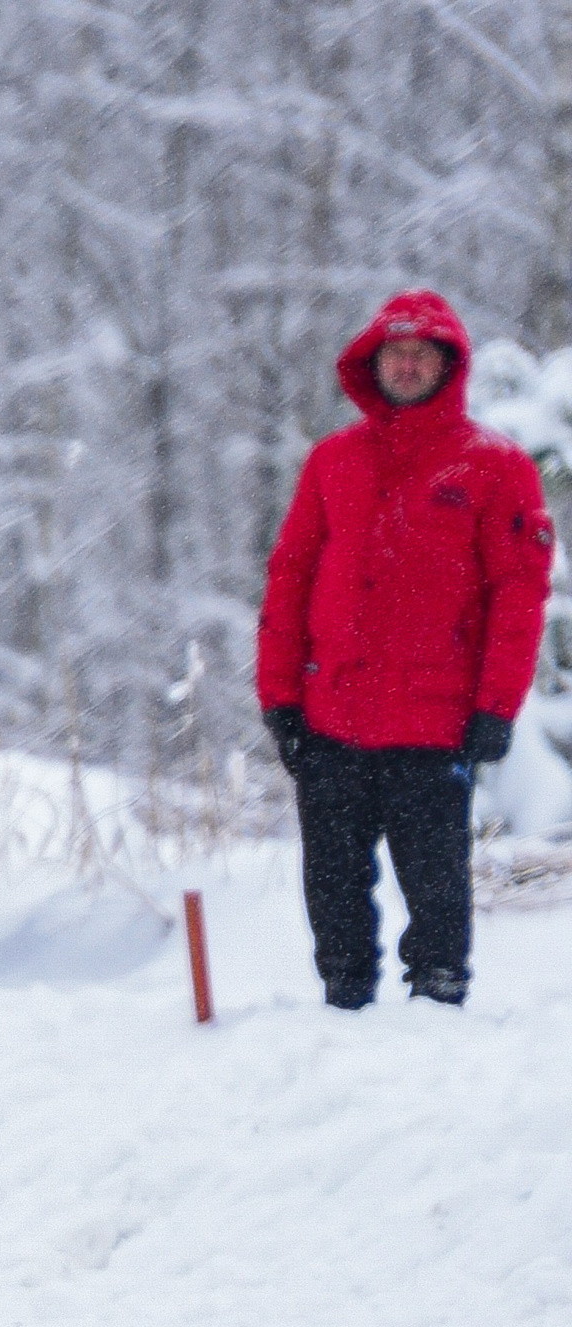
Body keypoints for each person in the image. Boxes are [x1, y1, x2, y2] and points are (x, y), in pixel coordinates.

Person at [257, 289, 551, 1009]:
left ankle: (439, 999)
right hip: (332, 716)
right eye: (397, 352)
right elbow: (290, 578)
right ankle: (344, 996)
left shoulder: (495, 466)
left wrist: (496, 706)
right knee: (331, 877)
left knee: (436, 878)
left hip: (433, 720)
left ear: (450, 365)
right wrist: (279, 699)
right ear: (374, 362)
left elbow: (518, 595)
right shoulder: (333, 462)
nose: (409, 364)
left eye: (424, 353)